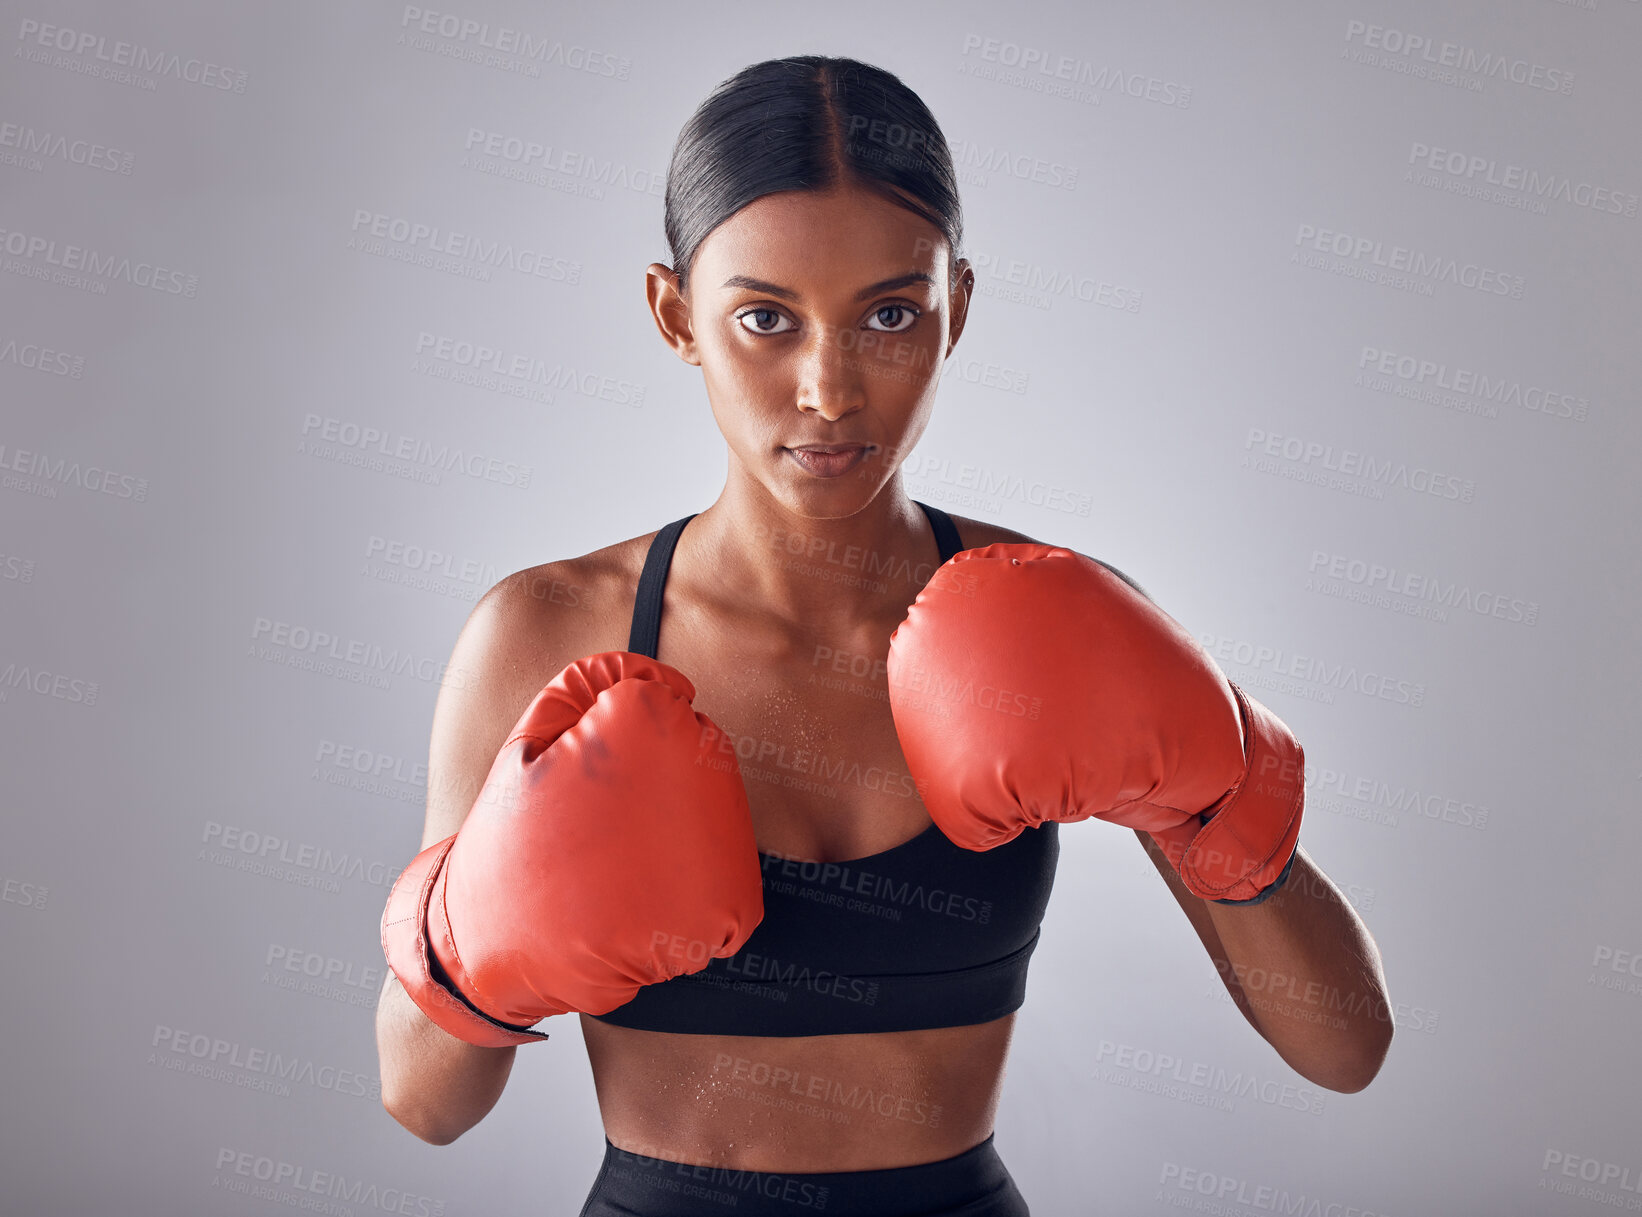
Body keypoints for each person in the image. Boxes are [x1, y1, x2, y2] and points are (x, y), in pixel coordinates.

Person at [374, 54, 1393, 1217]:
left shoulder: (1059, 609)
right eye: (763, 317)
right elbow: (425, 1099)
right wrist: (481, 954)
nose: (829, 387)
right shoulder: (547, 630)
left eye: (890, 314)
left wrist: (1212, 796)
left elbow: (1342, 1049)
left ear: (956, 308)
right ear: (675, 316)